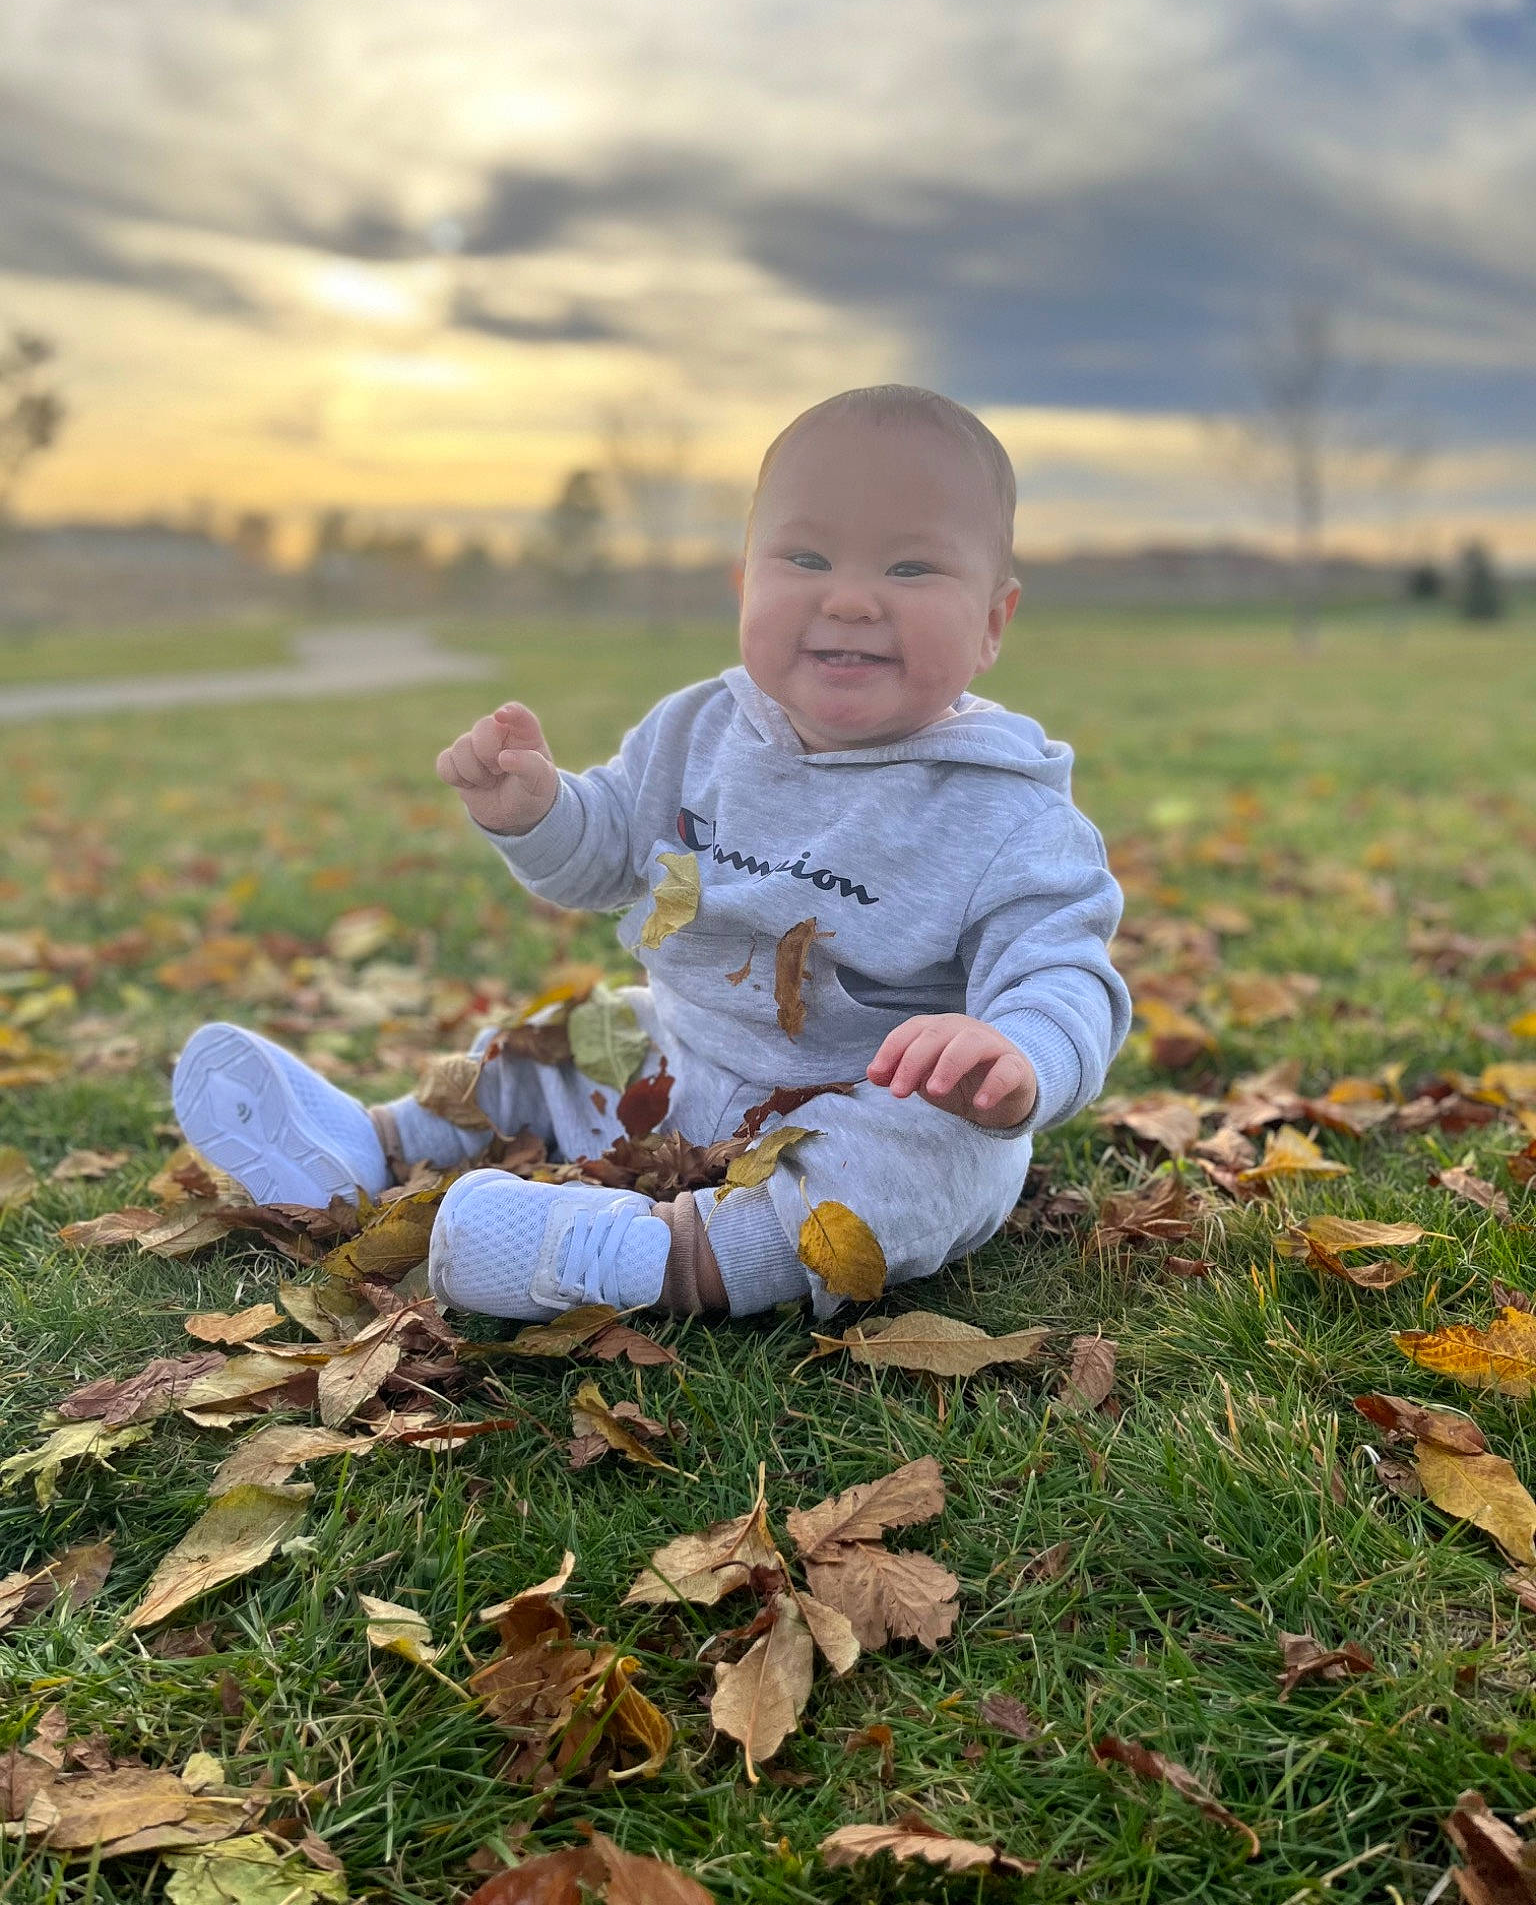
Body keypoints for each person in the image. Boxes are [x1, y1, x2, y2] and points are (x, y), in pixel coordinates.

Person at [172, 385, 1132, 1324]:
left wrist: (1018, 1055)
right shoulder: (696, 730)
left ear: (992, 623)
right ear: (745, 586)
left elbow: (1062, 973)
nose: (849, 600)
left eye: (911, 568)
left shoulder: (1007, 811)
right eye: (806, 557)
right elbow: (605, 856)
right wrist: (538, 813)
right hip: (678, 1063)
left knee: (928, 1161)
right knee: (572, 1034)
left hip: (855, 1108)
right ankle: (372, 1144)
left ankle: (648, 1256)